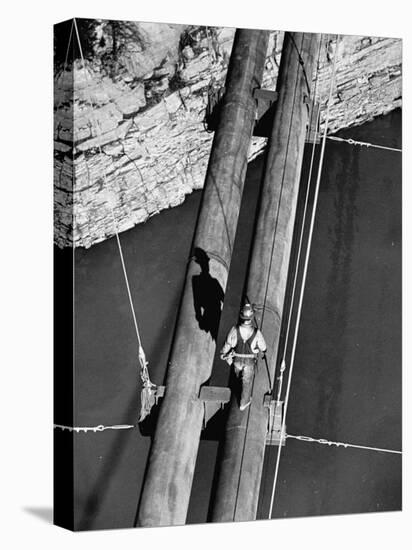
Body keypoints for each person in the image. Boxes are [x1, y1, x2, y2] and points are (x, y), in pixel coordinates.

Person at [220, 303, 267, 411]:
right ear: (252, 318)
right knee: (247, 382)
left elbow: (228, 344)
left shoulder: (234, 329)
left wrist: (223, 353)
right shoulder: (256, 332)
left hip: (237, 360)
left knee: (237, 378)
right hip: (250, 361)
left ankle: (237, 391)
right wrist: (264, 351)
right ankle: (243, 403)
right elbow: (263, 346)